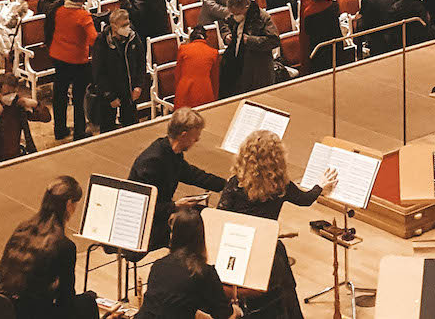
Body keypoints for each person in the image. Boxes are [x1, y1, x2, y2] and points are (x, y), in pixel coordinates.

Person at [218, 131, 337, 319]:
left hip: (237, 248)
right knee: (285, 289)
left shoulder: (235, 183)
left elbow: (221, 216)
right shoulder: (280, 186)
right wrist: (320, 185)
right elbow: (305, 200)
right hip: (266, 252)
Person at [0, 175, 99, 319]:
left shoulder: (22, 229)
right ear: (69, 204)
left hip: (5, 310)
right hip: (34, 314)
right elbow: (66, 299)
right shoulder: (64, 246)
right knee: (88, 302)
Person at [129, 107, 227, 251]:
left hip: (161, 215)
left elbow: (193, 175)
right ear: (183, 135)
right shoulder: (153, 161)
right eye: (195, 136)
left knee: (207, 215)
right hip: (142, 225)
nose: (198, 140)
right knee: (196, 225)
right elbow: (142, 207)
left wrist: (226, 184)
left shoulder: (171, 152)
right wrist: (175, 206)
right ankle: (184, 268)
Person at [136, 204, 233, 319]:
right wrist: (236, 311)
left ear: (174, 236)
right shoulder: (204, 272)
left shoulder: (158, 265)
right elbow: (223, 314)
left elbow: (170, 306)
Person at [48, 0, 97, 140]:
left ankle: (59, 129)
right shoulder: (83, 16)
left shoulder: (58, 10)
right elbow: (93, 40)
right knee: (78, 96)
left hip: (58, 56)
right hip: (77, 60)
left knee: (60, 95)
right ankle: (79, 131)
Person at [0, 71, 51, 164]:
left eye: (13, 92)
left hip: (16, 155)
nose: (11, 96)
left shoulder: (18, 104)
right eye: (6, 93)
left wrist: (36, 104)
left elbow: (46, 118)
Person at [91, 7, 147, 132]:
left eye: (128, 23)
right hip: (109, 93)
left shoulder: (133, 37)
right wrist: (109, 96)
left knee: (132, 128)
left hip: (129, 91)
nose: (127, 27)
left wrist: (138, 86)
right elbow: (98, 72)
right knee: (108, 130)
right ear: (113, 26)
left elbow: (141, 63)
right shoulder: (102, 42)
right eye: (123, 25)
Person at [219, 0, 280, 95]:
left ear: (245, 7)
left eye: (237, 13)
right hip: (237, 67)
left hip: (258, 69)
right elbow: (224, 24)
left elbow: (274, 40)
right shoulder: (234, 15)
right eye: (233, 13)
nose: (234, 16)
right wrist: (226, 35)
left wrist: (250, 40)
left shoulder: (262, 18)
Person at [174, 24, 221, 108]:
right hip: (205, 91)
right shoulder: (214, 52)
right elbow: (215, 79)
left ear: (190, 38)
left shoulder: (182, 49)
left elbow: (177, 74)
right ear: (207, 38)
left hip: (184, 90)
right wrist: (215, 99)